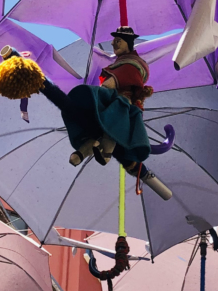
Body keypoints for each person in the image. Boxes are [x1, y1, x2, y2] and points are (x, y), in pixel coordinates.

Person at [40, 27, 171, 199]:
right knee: (101, 125)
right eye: (114, 40)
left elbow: (117, 79)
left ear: (128, 43)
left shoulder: (132, 64)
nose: (113, 44)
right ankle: (83, 152)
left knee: (114, 121)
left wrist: (108, 87)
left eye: (118, 41)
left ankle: (104, 152)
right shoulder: (123, 62)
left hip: (121, 104)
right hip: (110, 103)